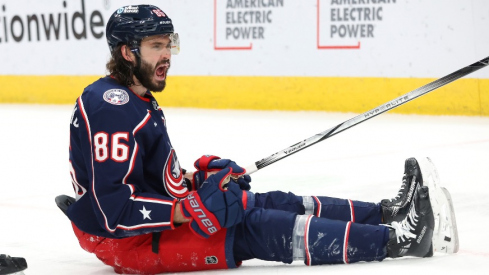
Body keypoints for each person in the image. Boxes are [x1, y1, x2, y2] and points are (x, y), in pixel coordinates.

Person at [61, 4, 458, 274]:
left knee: (269, 200)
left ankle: (387, 213)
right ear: (128, 52)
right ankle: (402, 240)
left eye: (169, 44)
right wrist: (192, 209)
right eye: (156, 46)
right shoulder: (111, 106)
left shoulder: (136, 96)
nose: (168, 55)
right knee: (251, 226)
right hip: (124, 241)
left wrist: (199, 180)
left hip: (139, 226)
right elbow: (114, 210)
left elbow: (146, 178)